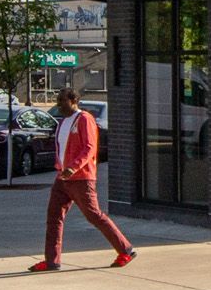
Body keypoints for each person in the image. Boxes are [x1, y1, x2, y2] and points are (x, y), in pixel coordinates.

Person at [28, 88, 135, 271]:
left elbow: (89, 147)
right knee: (53, 217)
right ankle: (52, 260)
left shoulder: (84, 119)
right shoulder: (63, 122)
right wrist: (61, 168)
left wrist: (73, 167)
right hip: (62, 178)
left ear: (74, 100)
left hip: (81, 178)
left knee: (93, 215)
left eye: (62, 100)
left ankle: (126, 249)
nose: (59, 104)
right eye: (58, 100)